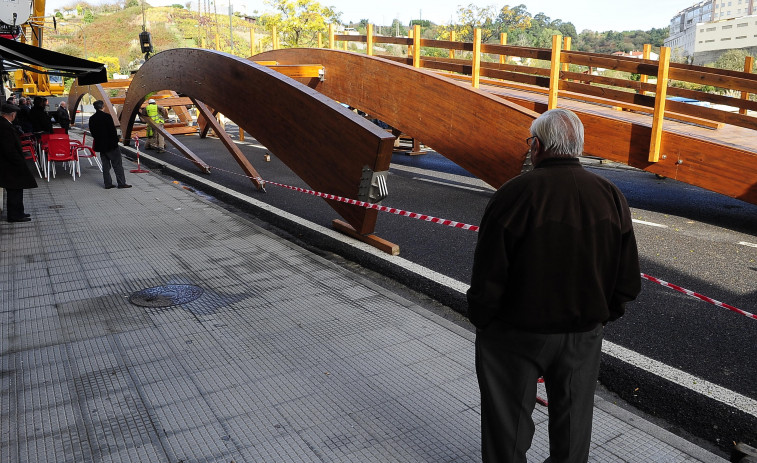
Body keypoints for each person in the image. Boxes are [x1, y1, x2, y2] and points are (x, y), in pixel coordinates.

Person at [467, 108, 641, 463]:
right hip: (582, 332)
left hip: (513, 334)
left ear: (539, 146)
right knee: (574, 423)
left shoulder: (513, 194)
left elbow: (488, 274)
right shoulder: (609, 195)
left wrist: (484, 318)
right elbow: (627, 278)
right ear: (576, 146)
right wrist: (602, 316)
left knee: (507, 427)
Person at [0, 103, 38, 222]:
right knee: (14, 189)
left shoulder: (5, 124)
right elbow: (9, 149)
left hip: (9, 163)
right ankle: (15, 215)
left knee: (17, 188)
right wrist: (19, 162)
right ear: (12, 114)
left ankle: (19, 212)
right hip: (10, 164)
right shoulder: (4, 127)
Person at [89, 100, 131, 189]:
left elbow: (92, 133)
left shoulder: (92, 118)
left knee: (106, 166)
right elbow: (112, 131)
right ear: (102, 107)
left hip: (101, 146)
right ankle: (121, 183)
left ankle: (107, 184)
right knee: (117, 165)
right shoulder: (107, 116)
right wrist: (116, 141)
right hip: (111, 145)